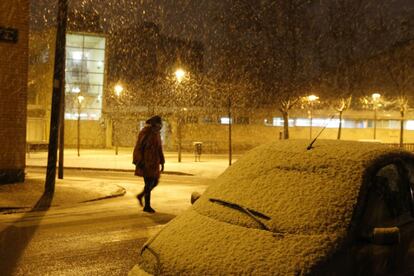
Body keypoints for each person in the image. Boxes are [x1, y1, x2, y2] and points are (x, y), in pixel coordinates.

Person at [133, 115, 165, 213]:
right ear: (154, 124)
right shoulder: (145, 133)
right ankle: (147, 206)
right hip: (146, 162)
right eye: (158, 124)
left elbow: (159, 149)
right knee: (149, 183)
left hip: (154, 162)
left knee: (154, 182)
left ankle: (141, 196)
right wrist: (139, 161)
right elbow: (138, 147)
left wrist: (162, 161)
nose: (160, 126)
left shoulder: (156, 134)